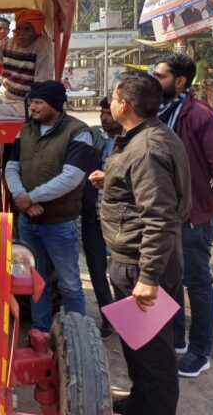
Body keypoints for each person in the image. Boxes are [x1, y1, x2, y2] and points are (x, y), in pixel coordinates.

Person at [90, 71, 191, 415]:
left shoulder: (147, 147)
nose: (111, 103)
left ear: (126, 105)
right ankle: (140, 401)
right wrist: (113, 180)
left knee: (155, 354)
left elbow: (159, 217)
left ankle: (156, 407)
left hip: (142, 263)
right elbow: (145, 191)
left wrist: (148, 277)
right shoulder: (144, 137)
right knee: (138, 344)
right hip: (134, 258)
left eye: (114, 98)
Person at [154, 53, 213, 378]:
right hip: (163, 212)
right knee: (168, 277)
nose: (154, 80)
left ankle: (200, 352)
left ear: (180, 81)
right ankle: (176, 340)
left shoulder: (201, 116)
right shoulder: (158, 111)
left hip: (192, 215)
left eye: (160, 76)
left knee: (196, 281)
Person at [4, 80, 94, 332]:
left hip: (59, 223)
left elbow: (72, 177)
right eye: (31, 102)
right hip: (28, 220)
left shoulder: (79, 132)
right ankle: (41, 329)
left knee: (69, 283)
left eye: (38, 102)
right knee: (35, 280)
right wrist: (21, 197)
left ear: (55, 104)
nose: (32, 107)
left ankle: (78, 334)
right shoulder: (26, 130)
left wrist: (31, 198)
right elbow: (12, 166)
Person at [0, 9, 54, 146]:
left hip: (24, 104)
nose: (22, 33)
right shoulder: (11, 43)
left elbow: (42, 84)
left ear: (37, 30)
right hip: (3, 95)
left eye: (27, 29)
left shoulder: (43, 46)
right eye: (19, 29)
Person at [81, 97, 120, 340]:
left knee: (121, 271)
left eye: (109, 113)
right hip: (93, 216)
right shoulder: (95, 137)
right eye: (102, 112)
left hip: (120, 219)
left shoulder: (132, 141)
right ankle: (108, 318)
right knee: (96, 269)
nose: (104, 117)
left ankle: (128, 319)